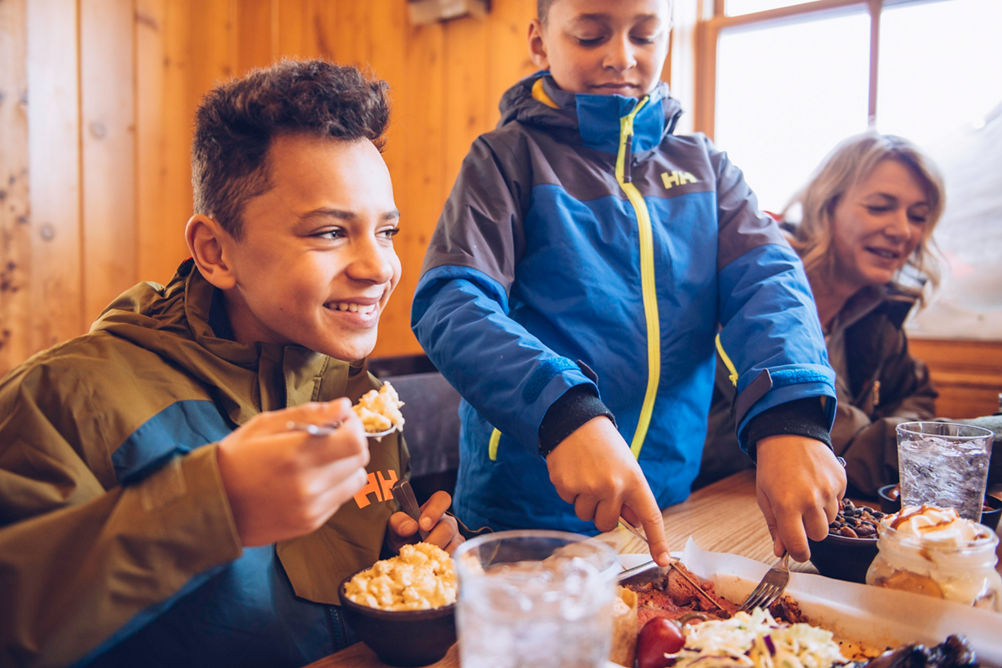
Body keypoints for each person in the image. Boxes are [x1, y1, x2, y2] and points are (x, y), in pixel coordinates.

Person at [0, 59, 460, 667]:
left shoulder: (362, 397)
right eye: (328, 233)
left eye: (387, 231)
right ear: (215, 252)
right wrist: (210, 507)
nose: (379, 268)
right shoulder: (64, 400)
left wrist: (418, 568)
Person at [410, 0, 846, 567]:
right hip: (520, 515)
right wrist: (563, 413)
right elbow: (451, 301)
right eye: (591, 36)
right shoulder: (506, 159)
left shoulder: (708, 168)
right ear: (540, 42)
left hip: (666, 507)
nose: (621, 57)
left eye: (645, 36)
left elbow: (769, 281)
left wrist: (792, 417)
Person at [702, 131, 1002, 497]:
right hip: (712, 505)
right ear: (826, 206)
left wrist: (876, 428)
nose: (902, 230)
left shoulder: (877, 310)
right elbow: (838, 446)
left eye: (918, 216)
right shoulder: (757, 295)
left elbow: (916, 395)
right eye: (879, 207)